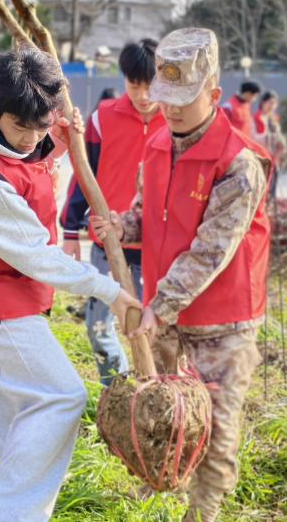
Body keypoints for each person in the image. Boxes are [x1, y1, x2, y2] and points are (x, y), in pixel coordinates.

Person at [0, 46, 141, 522]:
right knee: (62, 396)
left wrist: (59, 142)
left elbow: (26, 161)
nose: (29, 139)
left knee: (9, 414)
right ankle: (0, 514)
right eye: (20, 127)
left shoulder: (12, 132)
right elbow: (36, 253)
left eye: (40, 127)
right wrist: (110, 291)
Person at [91, 28, 272, 522]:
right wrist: (120, 225)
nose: (168, 109)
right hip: (167, 310)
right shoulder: (156, 144)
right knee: (166, 409)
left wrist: (159, 306)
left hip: (224, 318)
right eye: (164, 96)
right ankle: (159, 481)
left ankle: (203, 512)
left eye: (183, 99)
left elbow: (211, 251)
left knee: (217, 421)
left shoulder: (238, 164)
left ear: (213, 94)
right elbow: (147, 213)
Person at [60, 38, 166, 386]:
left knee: (155, 327)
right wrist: (71, 230)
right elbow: (83, 172)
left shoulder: (175, 120)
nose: (144, 95)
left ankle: (157, 390)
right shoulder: (103, 118)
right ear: (124, 80)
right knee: (100, 328)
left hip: (156, 248)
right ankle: (118, 390)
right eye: (135, 85)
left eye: (151, 86)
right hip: (106, 244)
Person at [254, 90, 286, 195]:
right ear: (263, 102)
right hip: (262, 156)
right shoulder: (257, 118)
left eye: (274, 103)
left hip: (275, 155)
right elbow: (254, 138)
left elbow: (278, 135)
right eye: (270, 103)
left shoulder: (274, 118)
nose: (272, 106)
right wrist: (270, 137)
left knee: (273, 185)